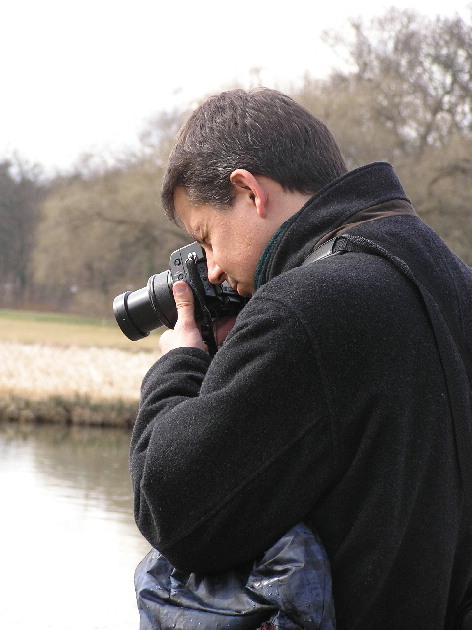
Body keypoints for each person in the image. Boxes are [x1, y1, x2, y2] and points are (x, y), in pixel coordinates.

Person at [129, 87, 472, 629]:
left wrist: (181, 363)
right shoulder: (450, 278)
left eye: (207, 237)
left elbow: (174, 512)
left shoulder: (304, 308)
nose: (211, 269)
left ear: (249, 192)